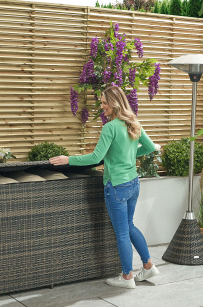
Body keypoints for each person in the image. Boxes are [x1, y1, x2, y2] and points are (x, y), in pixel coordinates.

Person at [49, 86, 159, 289]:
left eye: (104, 103)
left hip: (116, 186)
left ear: (115, 104)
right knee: (130, 225)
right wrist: (127, 156)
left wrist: (68, 159)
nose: (102, 107)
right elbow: (151, 147)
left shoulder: (110, 127)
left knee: (122, 232)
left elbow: (95, 158)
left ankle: (127, 277)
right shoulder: (133, 123)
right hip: (134, 183)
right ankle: (148, 265)